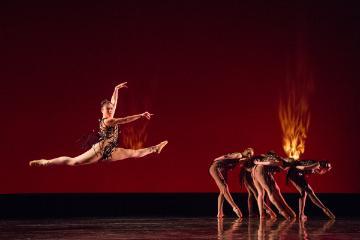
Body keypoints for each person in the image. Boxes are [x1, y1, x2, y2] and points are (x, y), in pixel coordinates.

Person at [29, 82, 168, 167]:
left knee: (134, 153)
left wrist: (116, 89)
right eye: (108, 109)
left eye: (111, 108)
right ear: (102, 111)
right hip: (100, 150)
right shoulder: (108, 120)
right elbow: (124, 120)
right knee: (73, 162)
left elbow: (114, 103)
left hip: (111, 150)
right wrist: (141, 115)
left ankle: (155, 148)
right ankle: (46, 162)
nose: (111, 109)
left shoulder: (110, 114)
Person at [209, 148, 254, 218]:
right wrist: (216, 159)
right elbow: (225, 156)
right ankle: (235, 207)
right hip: (216, 167)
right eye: (248, 153)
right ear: (244, 151)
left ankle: (219, 213)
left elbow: (241, 165)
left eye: (251, 155)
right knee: (224, 187)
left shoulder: (240, 159)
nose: (249, 155)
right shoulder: (239, 155)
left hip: (222, 169)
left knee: (222, 191)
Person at [251, 151, 296, 219]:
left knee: (260, 193)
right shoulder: (281, 161)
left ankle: (261, 214)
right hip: (260, 169)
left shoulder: (278, 161)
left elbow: (272, 165)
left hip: (254, 170)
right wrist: (258, 162)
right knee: (269, 192)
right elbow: (270, 163)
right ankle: (281, 210)